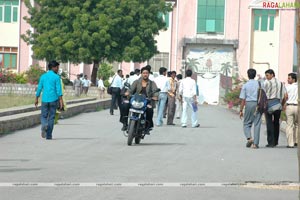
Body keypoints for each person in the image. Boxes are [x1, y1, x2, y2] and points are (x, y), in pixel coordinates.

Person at [120, 67, 158, 133]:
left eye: (146, 73)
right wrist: (127, 93)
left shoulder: (152, 83)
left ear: (149, 74)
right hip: (135, 100)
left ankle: (147, 126)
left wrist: (155, 96)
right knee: (125, 105)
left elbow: (156, 92)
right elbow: (131, 89)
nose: (145, 74)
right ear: (141, 74)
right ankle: (125, 123)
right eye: (143, 73)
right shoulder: (136, 82)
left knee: (150, 110)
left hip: (147, 101)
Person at [35, 61, 63, 140]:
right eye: (57, 67)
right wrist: (61, 102)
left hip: (44, 99)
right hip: (54, 100)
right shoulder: (56, 77)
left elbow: (39, 88)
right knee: (51, 117)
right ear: (53, 67)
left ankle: (44, 124)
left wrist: (36, 98)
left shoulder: (43, 76)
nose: (58, 69)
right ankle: (49, 135)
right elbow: (59, 90)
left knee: (44, 116)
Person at [239, 69, 262, 149]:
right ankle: (255, 144)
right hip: (258, 104)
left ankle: (249, 138)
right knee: (257, 123)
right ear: (255, 75)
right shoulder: (259, 84)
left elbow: (243, 99)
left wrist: (241, 110)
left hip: (249, 104)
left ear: (248, 75)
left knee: (246, 123)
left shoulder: (245, 85)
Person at [264, 69, 286, 147]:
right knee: (276, 123)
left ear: (272, 75)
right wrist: (282, 104)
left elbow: (263, 94)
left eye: (267, 75)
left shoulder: (266, 83)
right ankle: (276, 141)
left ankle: (271, 142)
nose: (266, 77)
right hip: (278, 104)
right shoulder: (281, 83)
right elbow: (285, 96)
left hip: (269, 104)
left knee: (269, 123)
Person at [284, 73, 298, 148]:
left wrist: (283, 104)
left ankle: (290, 143)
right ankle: (297, 141)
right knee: (297, 125)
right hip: (297, 106)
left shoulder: (287, 87)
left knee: (289, 125)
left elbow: (285, 97)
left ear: (293, 79)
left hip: (290, 106)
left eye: (289, 78)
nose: (287, 79)